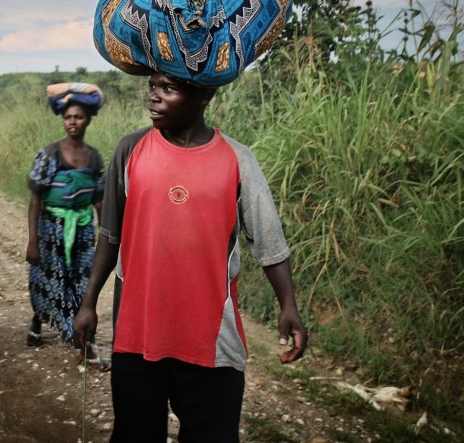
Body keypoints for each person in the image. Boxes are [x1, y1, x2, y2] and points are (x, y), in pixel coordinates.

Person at [73, 72, 308, 441]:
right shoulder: (130, 150)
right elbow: (110, 235)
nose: (153, 97)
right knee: (136, 433)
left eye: (168, 88)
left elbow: (267, 240)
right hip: (137, 335)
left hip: (212, 343)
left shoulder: (237, 159)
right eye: (152, 86)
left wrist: (288, 305)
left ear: (204, 96)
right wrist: (89, 303)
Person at [25, 83, 108, 368]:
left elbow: (98, 200)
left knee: (82, 284)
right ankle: (38, 321)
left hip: (82, 229)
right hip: (51, 229)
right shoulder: (49, 154)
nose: (73, 122)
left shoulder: (94, 157)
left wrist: (105, 236)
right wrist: (33, 240)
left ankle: (82, 343)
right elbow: (36, 198)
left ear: (88, 120)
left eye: (79, 117)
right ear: (63, 120)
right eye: (68, 117)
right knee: (47, 280)